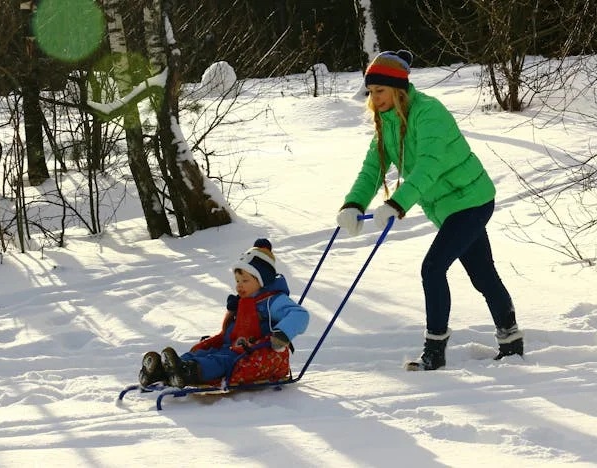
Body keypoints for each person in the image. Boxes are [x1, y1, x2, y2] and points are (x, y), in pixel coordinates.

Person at [335, 50, 523, 371]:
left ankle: (434, 351)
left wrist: (398, 203)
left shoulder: (429, 113)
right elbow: (372, 170)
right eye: (371, 92)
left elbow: (428, 166)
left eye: (380, 91)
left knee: (432, 268)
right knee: (482, 273)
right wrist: (353, 205)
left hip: (471, 200)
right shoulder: (389, 121)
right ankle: (511, 342)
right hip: (447, 208)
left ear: (398, 89)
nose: (374, 98)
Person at [139, 238, 310, 387]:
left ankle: (186, 371)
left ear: (262, 281)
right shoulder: (243, 302)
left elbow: (300, 315)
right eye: (237, 281)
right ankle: (164, 370)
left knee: (221, 360)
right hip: (233, 347)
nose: (239, 285)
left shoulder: (273, 300)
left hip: (257, 353)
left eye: (245, 280)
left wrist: (282, 334)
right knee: (203, 353)